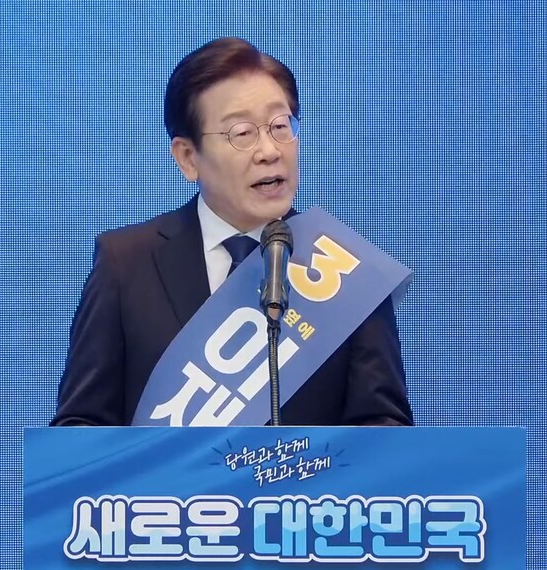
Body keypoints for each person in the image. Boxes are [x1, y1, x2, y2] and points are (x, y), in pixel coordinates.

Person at [50, 37, 413, 427]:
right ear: (188, 158)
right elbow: (79, 430)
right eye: (242, 134)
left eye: (280, 126)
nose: (269, 151)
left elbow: (385, 431)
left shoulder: (343, 270)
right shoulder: (126, 263)